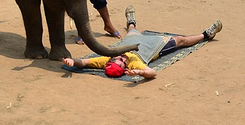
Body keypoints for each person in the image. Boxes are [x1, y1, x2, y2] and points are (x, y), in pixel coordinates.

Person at [62, 5, 222, 79]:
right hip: (153, 46)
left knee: (132, 31)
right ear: (125, 68)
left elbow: (83, 63)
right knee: (180, 40)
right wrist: (139, 73)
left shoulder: (107, 58)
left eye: (116, 59)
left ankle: (131, 22)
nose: (120, 58)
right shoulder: (134, 64)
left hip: (132, 41)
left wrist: (71, 61)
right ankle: (206, 34)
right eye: (121, 62)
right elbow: (153, 73)